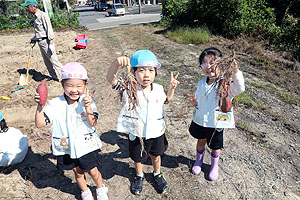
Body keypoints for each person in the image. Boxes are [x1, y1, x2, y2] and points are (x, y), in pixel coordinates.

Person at [106, 50, 180, 195]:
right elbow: (110, 79)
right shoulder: (128, 88)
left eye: (151, 70)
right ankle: (139, 175)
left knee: (156, 155)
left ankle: (157, 173)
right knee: (137, 157)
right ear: (133, 72)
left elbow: (167, 100)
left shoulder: (158, 88)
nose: (146, 75)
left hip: (156, 132)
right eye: (141, 70)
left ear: (155, 73)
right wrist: (116, 63)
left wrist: (171, 88)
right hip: (137, 133)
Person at [34, 62, 108, 200]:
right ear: (62, 85)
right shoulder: (55, 104)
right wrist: (40, 106)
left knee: (93, 171)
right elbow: (39, 124)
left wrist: (88, 108)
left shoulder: (88, 101)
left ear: (85, 85)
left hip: (86, 145)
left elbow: (92, 123)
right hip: (67, 146)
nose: (74, 90)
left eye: (79, 86)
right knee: (78, 172)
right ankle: (85, 191)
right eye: (70, 85)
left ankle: (100, 188)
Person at [187, 47, 245, 181]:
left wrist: (235, 71)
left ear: (221, 64)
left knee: (215, 146)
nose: (208, 67)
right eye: (204, 63)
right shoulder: (201, 83)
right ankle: (198, 161)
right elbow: (200, 101)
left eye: (212, 63)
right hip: (201, 120)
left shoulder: (225, 82)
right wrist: (195, 103)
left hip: (216, 122)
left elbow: (240, 88)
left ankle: (214, 166)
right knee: (200, 141)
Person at [21, 0, 63, 81]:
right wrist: (34, 38)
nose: (27, 9)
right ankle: (54, 77)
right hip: (40, 42)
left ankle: (66, 77)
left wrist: (51, 44)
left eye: (27, 7)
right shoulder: (35, 17)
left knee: (54, 61)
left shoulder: (43, 15)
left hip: (46, 42)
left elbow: (49, 29)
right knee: (47, 62)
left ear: (33, 6)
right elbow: (40, 31)